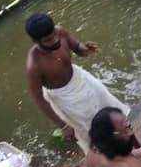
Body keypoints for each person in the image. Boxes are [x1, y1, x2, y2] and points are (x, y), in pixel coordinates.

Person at [26, 13, 130, 153]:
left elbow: (76, 46)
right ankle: (110, 156)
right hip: (65, 97)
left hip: (80, 79)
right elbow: (39, 99)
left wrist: (84, 49)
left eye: (54, 34)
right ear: (36, 41)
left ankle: (126, 139)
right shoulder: (34, 65)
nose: (55, 39)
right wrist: (63, 125)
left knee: (110, 110)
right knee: (92, 128)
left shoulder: (60, 31)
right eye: (49, 40)